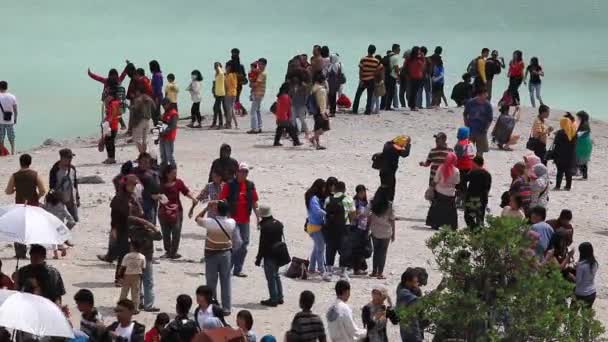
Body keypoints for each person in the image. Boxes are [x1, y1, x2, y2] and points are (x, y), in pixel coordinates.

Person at [219, 162, 259, 277]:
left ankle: (237, 269)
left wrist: (258, 218)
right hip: (232, 219)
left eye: (246, 172)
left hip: (245, 220)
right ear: (237, 172)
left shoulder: (250, 185)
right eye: (242, 171)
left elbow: (254, 202)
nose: (244, 174)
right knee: (237, 243)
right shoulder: (230, 184)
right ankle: (228, 267)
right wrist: (224, 216)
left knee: (244, 244)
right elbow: (221, 200)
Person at [195, 201, 236, 314]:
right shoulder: (231, 222)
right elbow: (230, 217)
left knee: (211, 282)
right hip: (226, 253)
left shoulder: (210, 222)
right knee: (226, 281)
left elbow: (197, 218)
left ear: (216, 210)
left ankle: (212, 306)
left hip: (211, 254)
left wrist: (207, 208)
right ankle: (226, 308)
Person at [5, 154, 47, 257]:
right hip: (33, 205)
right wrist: (36, 197)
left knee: (19, 228)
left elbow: (8, 191)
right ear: (30, 162)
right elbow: (43, 190)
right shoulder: (35, 175)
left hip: (20, 205)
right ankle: (35, 252)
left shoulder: (15, 176)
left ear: (20, 162)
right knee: (33, 227)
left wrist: (15, 189)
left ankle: (20, 253)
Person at [159, 164, 197, 259]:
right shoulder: (160, 183)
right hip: (164, 211)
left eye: (175, 173)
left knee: (176, 231)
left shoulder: (178, 182)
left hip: (177, 211)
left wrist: (193, 198)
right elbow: (155, 194)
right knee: (166, 232)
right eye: (173, 173)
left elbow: (185, 191)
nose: (175, 175)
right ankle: (168, 251)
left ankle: (173, 252)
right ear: (167, 174)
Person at [324, 181, 356, 279]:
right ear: (344, 189)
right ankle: (343, 272)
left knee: (330, 248)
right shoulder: (348, 199)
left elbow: (326, 213)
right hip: (344, 228)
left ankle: (329, 272)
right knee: (344, 249)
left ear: (334, 188)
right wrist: (351, 223)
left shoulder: (328, 199)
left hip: (331, 228)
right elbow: (353, 213)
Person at [255, 205, 285, 307]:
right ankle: (280, 297)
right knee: (276, 275)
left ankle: (273, 299)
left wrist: (258, 258)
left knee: (270, 278)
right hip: (279, 253)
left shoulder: (265, 227)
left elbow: (262, 244)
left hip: (269, 254)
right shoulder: (278, 223)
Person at [426, 152, 459, 230]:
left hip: (440, 191)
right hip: (450, 193)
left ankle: (435, 224)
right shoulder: (456, 170)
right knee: (450, 211)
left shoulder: (441, 167)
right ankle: (451, 225)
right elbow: (457, 182)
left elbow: (436, 179)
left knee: (437, 209)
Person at [368, 186, 395, 279]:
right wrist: (394, 233)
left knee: (376, 251)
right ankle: (380, 273)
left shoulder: (372, 203)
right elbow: (392, 220)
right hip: (386, 231)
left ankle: (374, 271)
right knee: (383, 253)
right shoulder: (389, 205)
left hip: (375, 230)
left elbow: (367, 215)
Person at [305, 179, 328, 278]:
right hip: (315, 227)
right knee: (321, 249)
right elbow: (317, 211)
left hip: (313, 226)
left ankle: (311, 268)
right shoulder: (313, 198)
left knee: (316, 248)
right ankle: (322, 270)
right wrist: (328, 214)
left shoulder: (313, 197)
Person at [49, 148, 80, 222]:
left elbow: (75, 183)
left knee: (74, 221)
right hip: (60, 201)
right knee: (60, 222)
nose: (70, 159)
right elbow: (52, 186)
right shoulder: (55, 170)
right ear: (62, 158)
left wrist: (78, 198)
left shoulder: (72, 168)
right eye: (69, 157)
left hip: (72, 200)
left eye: (71, 157)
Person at [43, 191, 76, 259]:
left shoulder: (47, 205)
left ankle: (56, 254)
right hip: (59, 226)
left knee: (53, 240)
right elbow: (70, 219)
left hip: (50, 225)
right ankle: (62, 248)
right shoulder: (61, 206)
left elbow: (42, 210)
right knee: (58, 239)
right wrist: (66, 228)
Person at [378, 135, 411, 201]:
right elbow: (405, 154)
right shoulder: (396, 147)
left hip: (382, 171)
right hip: (390, 172)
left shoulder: (387, 144)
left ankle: (380, 201)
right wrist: (408, 144)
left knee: (383, 187)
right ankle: (387, 204)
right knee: (390, 189)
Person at [463, 86, 493, 157]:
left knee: (480, 151)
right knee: (469, 150)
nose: (487, 95)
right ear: (480, 94)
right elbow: (465, 114)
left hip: (482, 131)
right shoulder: (470, 103)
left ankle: (478, 165)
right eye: (486, 94)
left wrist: (486, 129)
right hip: (471, 130)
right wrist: (466, 125)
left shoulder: (487, 105)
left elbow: (490, 119)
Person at [463, 156, 492, 228]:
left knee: (469, 216)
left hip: (473, 198)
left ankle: (474, 231)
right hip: (483, 199)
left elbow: (463, 180)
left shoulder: (473, 172)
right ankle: (479, 233)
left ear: (475, 163)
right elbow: (488, 187)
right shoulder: (487, 174)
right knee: (480, 217)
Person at [118, 240, 146, 313]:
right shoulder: (142, 257)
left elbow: (123, 267)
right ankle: (135, 309)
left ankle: (120, 307)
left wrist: (120, 276)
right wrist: (141, 277)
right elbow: (143, 268)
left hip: (127, 276)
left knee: (124, 292)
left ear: (132, 247)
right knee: (136, 294)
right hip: (137, 277)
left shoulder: (127, 256)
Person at [352, 45, 380, 115]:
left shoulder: (363, 59)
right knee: (369, 96)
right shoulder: (376, 61)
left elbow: (361, 70)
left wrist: (360, 79)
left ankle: (355, 110)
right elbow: (377, 71)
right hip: (371, 80)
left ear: (368, 50)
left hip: (364, 79)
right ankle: (368, 111)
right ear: (374, 52)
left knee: (358, 95)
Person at [396, 269, 423, 342]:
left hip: (414, 326)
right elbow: (422, 302)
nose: (417, 284)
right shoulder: (403, 292)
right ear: (407, 282)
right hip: (410, 329)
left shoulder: (404, 286)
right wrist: (438, 290)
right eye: (415, 282)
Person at [134, 153, 161, 225]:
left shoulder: (154, 173)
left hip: (153, 203)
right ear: (139, 162)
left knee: (152, 224)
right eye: (144, 162)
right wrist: (150, 195)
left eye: (148, 162)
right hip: (140, 203)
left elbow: (159, 186)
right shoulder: (134, 174)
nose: (146, 164)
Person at [552, 115, 577, 191]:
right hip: (570, 155)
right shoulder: (573, 133)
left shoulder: (560, 133)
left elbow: (555, 144)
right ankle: (568, 186)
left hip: (560, 155)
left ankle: (557, 186)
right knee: (568, 171)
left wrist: (554, 155)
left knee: (560, 171)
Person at [273, 82, 301, 147]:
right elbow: (288, 109)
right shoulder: (286, 97)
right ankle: (296, 142)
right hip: (284, 117)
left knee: (279, 129)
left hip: (279, 117)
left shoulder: (279, 96)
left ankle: (276, 142)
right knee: (292, 130)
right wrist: (290, 117)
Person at [350, 185, 369, 275]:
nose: (363, 194)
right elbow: (352, 216)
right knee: (357, 248)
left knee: (364, 248)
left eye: (364, 192)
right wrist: (358, 215)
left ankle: (361, 266)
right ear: (357, 193)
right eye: (361, 193)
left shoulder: (365, 202)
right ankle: (357, 268)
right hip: (356, 228)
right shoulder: (354, 202)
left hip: (364, 228)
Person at [454, 127, 476, 206]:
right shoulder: (470, 143)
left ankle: (463, 200)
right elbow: (473, 155)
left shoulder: (459, 144)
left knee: (460, 184)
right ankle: (461, 199)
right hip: (469, 167)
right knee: (464, 183)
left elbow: (457, 156)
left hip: (460, 167)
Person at [130, 87, 155, 154]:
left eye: (136, 92)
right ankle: (144, 155)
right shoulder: (149, 98)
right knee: (144, 140)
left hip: (140, 121)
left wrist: (131, 107)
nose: (135, 93)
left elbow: (135, 110)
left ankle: (142, 155)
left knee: (136, 139)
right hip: (148, 120)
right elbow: (154, 107)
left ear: (138, 91)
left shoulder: (138, 99)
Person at [309, 72, 330, 150]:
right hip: (320, 110)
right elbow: (322, 102)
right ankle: (314, 140)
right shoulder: (321, 90)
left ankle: (316, 142)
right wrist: (323, 112)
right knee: (324, 127)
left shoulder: (314, 87)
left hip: (316, 110)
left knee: (318, 127)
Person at [574, 242, 598, 308]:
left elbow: (578, 281)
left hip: (581, 293)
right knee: (586, 315)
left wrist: (571, 275)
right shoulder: (594, 263)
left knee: (572, 313)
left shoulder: (581, 265)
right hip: (592, 292)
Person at [249, 58, 267, 134]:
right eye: (258, 64)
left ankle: (255, 128)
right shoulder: (260, 72)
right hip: (258, 93)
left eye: (260, 64)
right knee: (257, 111)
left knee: (253, 111)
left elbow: (257, 84)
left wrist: (251, 84)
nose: (258, 66)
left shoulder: (262, 74)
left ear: (264, 65)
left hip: (258, 94)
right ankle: (259, 127)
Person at [288, 73, 310, 137]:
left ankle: (306, 132)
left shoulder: (303, 85)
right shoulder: (291, 85)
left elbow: (307, 95)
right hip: (293, 104)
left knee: (302, 119)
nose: (295, 79)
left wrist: (305, 102)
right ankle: (294, 132)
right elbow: (289, 94)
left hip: (301, 104)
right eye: (294, 78)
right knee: (293, 119)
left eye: (296, 77)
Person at [103, 89, 121, 164]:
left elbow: (113, 113)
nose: (106, 97)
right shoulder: (115, 102)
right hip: (112, 125)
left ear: (112, 96)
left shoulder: (113, 103)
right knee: (109, 142)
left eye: (108, 95)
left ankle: (111, 158)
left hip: (111, 125)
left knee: (109, 142)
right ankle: (110, 157)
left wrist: (108, 121)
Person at [159, 99, 179, 166]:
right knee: (163, 156)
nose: (164, 106)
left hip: (169, 137)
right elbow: (162, 125)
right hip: (162, 137)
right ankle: (164, 170)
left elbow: (173, 126)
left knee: (169, 156)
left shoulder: (173, 113)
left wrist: (165, 131)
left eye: (165, 104)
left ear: (169, 104)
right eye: (163, 105)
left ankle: (173, 169)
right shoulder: (164, 114)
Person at [0, 81, 18, 155]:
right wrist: (15, 118)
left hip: (0, 121)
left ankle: (1, 153)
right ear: (6, 87)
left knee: (1, 137)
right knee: (11, 137)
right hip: (10, 120)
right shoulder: (12, 96)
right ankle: (13, 152)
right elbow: (15, 109)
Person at [405, 46, 425, 111]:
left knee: (413, 91)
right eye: (419, 51)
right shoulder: (415, 59)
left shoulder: (410, 59)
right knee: (414, 92)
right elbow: (423, 64)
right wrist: (422, 55)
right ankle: (412, 106)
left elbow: (406, 66)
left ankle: (411, 105)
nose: (419, 52)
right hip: (415, 77)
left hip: (413, 77)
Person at [383, 44, 401, 111]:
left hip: (386, 75)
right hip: (392, 76)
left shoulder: (389, 55)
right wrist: (398, 77)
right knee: (391, 92)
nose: (399, 50)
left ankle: (383, 105)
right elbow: (396, 68)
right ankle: (388, 107)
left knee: (386, 91)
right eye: (399, 49)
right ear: (395, 49)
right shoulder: (395, 57)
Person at [575, 111, 592, 180]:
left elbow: (579, 134)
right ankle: (582, 174)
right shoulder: (584, 124)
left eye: (578, 117)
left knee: (582, 161)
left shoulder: (584, 125)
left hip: (583, 145)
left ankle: (584, 176)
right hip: (583, 144)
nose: (577, 118)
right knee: (581, 160)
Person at [224, 64, 239, 129]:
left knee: (229, 110)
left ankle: (229, 124)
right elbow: (235, 85)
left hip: (228, 94)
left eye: (226, 67)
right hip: (234, 93)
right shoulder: (234, 75)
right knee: (231, 109)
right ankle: (236, 123)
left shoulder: (228, 76)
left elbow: (226, 86)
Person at [212, 63, 226, 129]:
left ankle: (219, 123)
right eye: (214, 66)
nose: (215, 68)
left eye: (216, 66)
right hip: (218, 94)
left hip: (221, 94)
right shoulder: (217, 75)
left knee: (216, 108)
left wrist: (218, 66)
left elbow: (221, 72)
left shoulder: (221, 74)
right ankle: (217, 123)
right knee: (216, 108)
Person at [149, 60, 164, 126]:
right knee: (156, 112)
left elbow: (157, 87)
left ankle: (158, 126)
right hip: (157, 96)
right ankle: (158, 126)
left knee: (155, 113)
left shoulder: (156, 75)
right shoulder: (157, 75)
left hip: (156, 96)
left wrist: (157, 98)